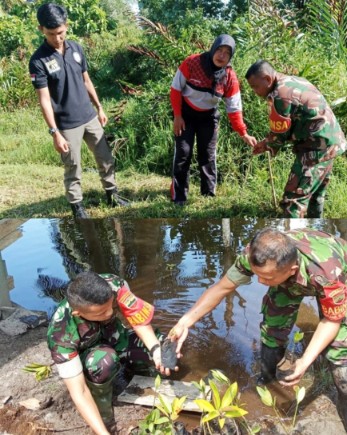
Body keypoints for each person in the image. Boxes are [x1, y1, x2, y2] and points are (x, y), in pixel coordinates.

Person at [168, 227, 347, 434]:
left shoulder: (329, 273)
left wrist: (304, 361)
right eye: (257, 275)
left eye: (266, 278)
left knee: (337, 344)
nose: (259, 282)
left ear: (291, 270)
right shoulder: (256, 255)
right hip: (289, 270)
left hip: (334, 261)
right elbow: (222, 288)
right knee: (272, 326)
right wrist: (185, 321)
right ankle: (267, 377)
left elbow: (331, 321)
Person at [29, 3, 129, 219]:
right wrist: (54, 132)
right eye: (51, 34)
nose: (57, 38)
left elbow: (86, 80)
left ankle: (112, 195)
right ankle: (77, 207)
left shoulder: (76, 48)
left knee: (105, 158)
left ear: (66, 26)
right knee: (73, 167)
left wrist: (99, 107)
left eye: (61, 32)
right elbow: (44, 99)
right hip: (65, 125)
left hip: (89, 117)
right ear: (41, 30)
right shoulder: (38, 60)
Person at [47, 272, 176, 434]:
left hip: (115, 337)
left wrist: (156, 350)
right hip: (92, 356)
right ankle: (104, 411)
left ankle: (137, 374)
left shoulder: (115, 285)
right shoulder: (60, 334)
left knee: (163, 344)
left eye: (111, 306)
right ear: (78, 313)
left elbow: (137, 319)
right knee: (104, 361)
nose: (109, 313)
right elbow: (78, 391)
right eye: (101, 313)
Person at [244, 60, 347, 218]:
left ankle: (292, 239)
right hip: (331, 141)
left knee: (293, 199)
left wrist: (265, 144)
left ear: (267, 79)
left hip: (316, 148)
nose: (255, 91)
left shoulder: (281, 95)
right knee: (315, 194)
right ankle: (314, 234)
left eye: (255, 86)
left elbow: (279, 134)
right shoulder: (293, 80)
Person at [170, 34, 257, 206]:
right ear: (213, 49)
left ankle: (208, 195)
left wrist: (243, 133)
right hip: (185, 114)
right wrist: (178, 116)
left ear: (230, 58)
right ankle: (179, 196)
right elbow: (175, 89)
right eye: (219, 50)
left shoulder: (230, 77)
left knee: (208, 155)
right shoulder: (192, 63)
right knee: (183, 153)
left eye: (227, 53)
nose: (221, 55)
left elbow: (234, 109)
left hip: (208, 117)